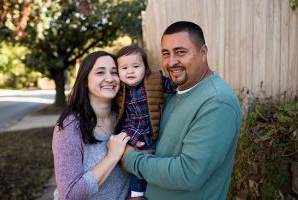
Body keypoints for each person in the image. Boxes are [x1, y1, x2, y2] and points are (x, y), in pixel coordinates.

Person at [121, 21, 242, 200]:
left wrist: (130, 159)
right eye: (165, 54)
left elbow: (189, 174)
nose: (171, 62)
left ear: (203, 53)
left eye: (180, 52)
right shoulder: (171, 94)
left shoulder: (217, 102)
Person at [52, 51, 131, 200]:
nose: (110, 78)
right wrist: (112, 156)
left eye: (114, 72)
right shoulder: (69, 127)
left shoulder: (126, 119)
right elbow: (69, 195)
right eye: (100, 72)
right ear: (85, 81)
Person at [115, 45, 176, 199]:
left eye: (136, 66)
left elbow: (172, 86)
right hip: (133, 135)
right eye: (124, 68)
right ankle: (136, 195)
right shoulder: (119, 89)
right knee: (137, 169)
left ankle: (157, 191)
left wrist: (175, 81)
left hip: (153, 133)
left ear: (145, 68)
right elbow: (121, 117)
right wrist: (132, 139)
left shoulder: (155, 79)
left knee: (155, 165)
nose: (130, 71)